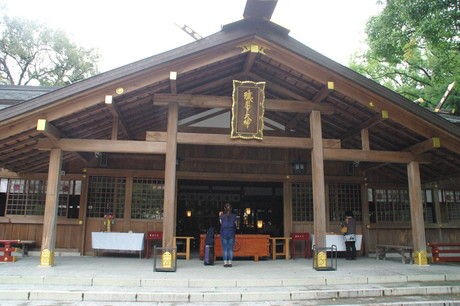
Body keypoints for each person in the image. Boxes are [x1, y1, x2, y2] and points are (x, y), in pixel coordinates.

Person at [219, 203, 238, 267]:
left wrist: (220, 215)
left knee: (225, 249)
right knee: (230, 249)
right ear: (231, 209)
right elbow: (236, 225)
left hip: (224, 233)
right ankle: (230, 262)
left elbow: (221, 223)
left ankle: (225, 263)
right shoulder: (234, 216)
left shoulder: (222, 216)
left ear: (224, 209)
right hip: (231, 233)